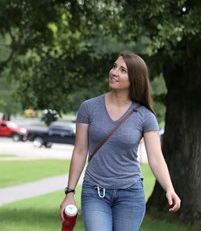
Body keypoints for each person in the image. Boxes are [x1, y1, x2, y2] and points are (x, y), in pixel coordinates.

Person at [59, 51, 181, 231]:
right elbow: (79, 151)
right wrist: (69, 193)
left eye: (122, 70)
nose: (114, 72)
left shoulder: (145, 116)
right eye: (114, 66)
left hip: (130, 194)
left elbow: (155, 157)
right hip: (95, 191)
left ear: (135, 79)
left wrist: (169, 188)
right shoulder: (89, 108)